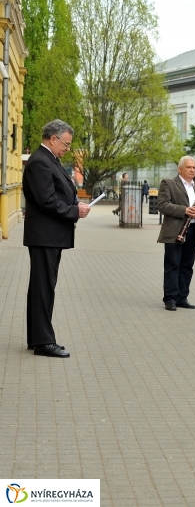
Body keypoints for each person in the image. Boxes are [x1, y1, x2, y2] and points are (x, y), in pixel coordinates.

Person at [23, 119, 91, 358]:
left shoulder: (50, 160)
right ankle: (43, 341)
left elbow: (59, 193)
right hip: (45, 235)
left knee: (42, 287)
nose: (67, 148)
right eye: (66, 143)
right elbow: (47, 200)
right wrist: (74, 211)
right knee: (43, 287)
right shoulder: (40, 162)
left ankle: (37, 337)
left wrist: (75, 204)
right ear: (53, 139)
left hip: (49, 235)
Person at [157, 156, 195, 311]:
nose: (192, 170)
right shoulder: (168, 183)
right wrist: (185, 210)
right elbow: (162, 205)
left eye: (194, 167)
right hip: (175, 231)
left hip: (193, 231)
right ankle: (170, 299)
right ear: (180, 169)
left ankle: (182, 297)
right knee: (172, 265)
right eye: (189, 167)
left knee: (187, 266)